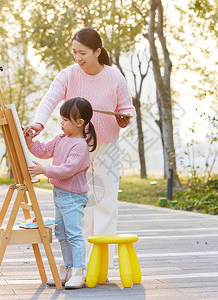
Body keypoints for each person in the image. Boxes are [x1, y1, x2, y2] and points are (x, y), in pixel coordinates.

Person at [24, 27, 135, 272]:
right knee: (79, 206)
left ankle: (101, 267)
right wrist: (38, 123)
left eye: (82, 52)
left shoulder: (114, 77)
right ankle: (80, 265)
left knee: (106, 204)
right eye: (74, 52)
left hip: (106, 147)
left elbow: (127, 109)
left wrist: (125, 117)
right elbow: (50, 99)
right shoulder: (68, 75)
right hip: (77, 147)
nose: (77, 57)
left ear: (97, 52)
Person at [24, 97, 97, 289]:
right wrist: (31, 143)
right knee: (62, 233)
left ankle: (78, 272)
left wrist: (44, 170)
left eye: (65, 120)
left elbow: (67, 170)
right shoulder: (61, 138)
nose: (61, 123)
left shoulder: (80, 146)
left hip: (73, 196)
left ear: (79, 123)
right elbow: (45, 150)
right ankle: (68, 267)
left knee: (73, 234)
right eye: (61, 119)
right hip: (60, 193)